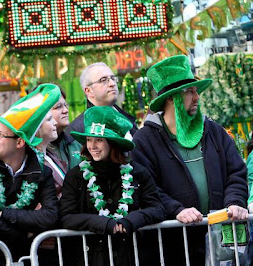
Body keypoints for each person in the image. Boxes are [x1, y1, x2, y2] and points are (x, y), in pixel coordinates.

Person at [131, 55, 248, 265]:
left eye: (196, 91)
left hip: (219, 245)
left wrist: (235, 201)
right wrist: (176, 210)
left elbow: (236, 173)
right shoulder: (145, 140)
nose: (197, 97)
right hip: (173, 248)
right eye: (189, 92)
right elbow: (146, 189)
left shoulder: (213, 130)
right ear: (170, 98)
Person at [0, 84, 60, 263]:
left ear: (19, 143)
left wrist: (5, 214)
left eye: (1, 135)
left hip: (24, 257)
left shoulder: (42, 172)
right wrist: (25, 232)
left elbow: (50, 216)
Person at [60, 106, 165, 266]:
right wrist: (103, 223)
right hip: (93, 258)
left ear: (113, 143)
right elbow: (67, 217)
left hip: (133, 256)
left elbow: (157, 209)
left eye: (99, 140)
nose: (92, 146)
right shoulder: (76, 176)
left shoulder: (137, 172)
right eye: (89, 140)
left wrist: (130, 221)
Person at [66, 62, 138, 139]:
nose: (112, 83)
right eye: (103, 80)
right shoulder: (79, 130)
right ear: (88, 91)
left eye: (113, 78)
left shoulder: (125, 118)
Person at [48, 88, 82, 171]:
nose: (66, 110)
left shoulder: (75, 144)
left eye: (66, 105)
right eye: (58, 107)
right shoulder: (35, 151)